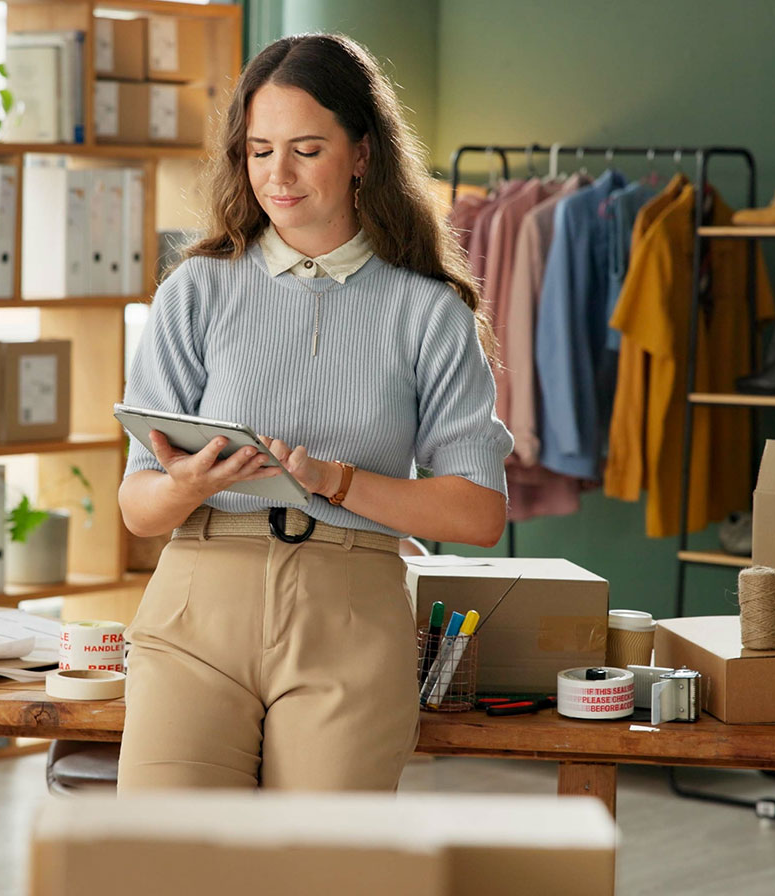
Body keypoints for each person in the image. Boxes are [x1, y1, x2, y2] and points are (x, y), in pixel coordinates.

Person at [116, 33, 512, 792]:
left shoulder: (428, 311)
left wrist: (335, 479)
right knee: (162, 858)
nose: (278, 176)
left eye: (305, 149)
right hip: (198, 603)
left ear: (362, 154)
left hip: (352, 616)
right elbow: (138, 505)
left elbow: (477, 513)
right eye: (259, 151)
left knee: (322, 867)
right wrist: (187, 484)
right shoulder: (195, 290)